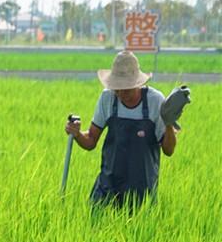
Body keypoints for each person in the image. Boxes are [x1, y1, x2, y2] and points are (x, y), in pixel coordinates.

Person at [65, 50, 179, 207]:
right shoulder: (108, 99)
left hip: (142, 193)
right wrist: (77, 134)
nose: (119, 93)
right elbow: (91, 141)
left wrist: (168, 123)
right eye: (116, 88)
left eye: (125, 88)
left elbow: (169, 150)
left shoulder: (155, 101)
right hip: (107, 189)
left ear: (138, 83)